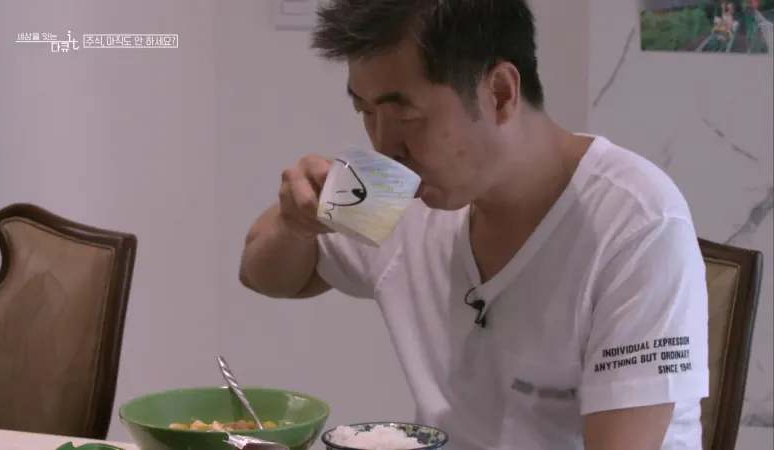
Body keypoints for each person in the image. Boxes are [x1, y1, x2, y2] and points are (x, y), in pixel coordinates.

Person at [240, 1, 709, 449]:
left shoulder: (637, 223)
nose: (384, 146)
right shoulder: (400, 189)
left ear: (500, 94)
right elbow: (263, 273)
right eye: (365, 111)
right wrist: (296, 225)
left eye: (405, 115)